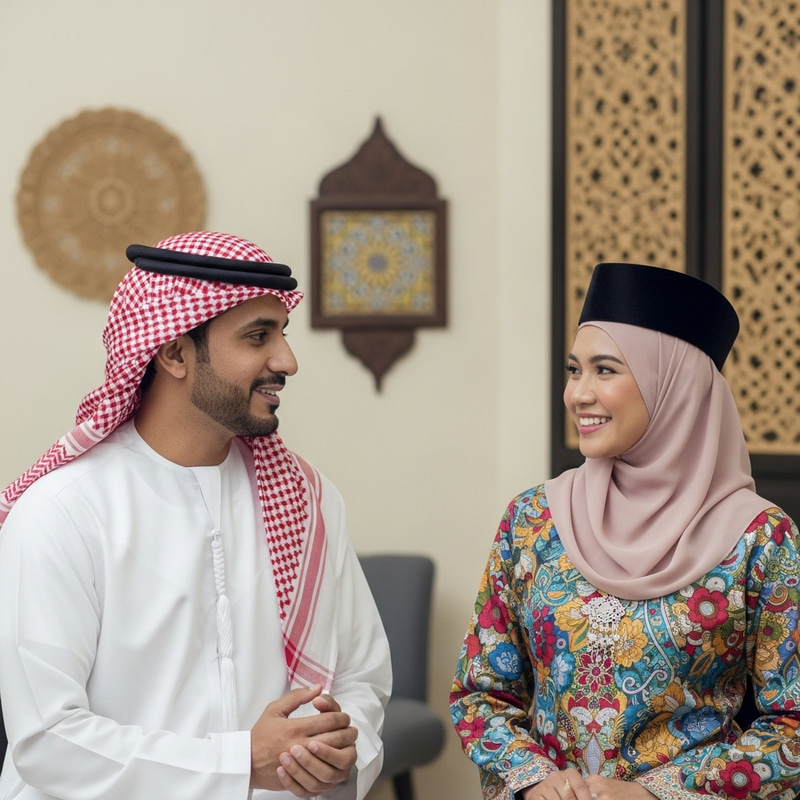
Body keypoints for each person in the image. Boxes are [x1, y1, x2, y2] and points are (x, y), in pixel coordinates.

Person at [0, 231, 391, 800]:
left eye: (282, 334)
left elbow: (361, 677)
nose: (287, 361)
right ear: (174, 352)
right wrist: (237, 763)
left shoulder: (309, 499)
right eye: (258, 336)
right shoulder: (64, 512)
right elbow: (49, 741)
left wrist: (333, 754)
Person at [450, 262, 800, 799]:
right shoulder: (532, 520)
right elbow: (479, 694)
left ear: (674, 387)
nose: (577, 394)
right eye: (573, 370)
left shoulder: (760, 540)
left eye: (605, 370)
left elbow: (791, 727)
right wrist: (534, 778)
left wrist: (659, 793)